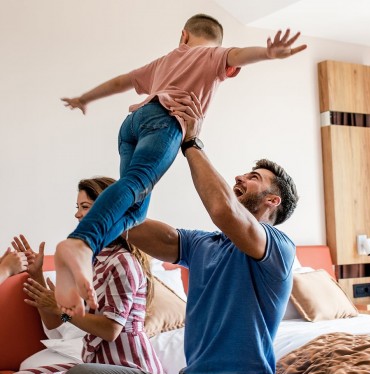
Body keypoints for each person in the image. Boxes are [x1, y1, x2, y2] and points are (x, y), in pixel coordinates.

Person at [61, 95, 299, 374]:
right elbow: (135, 226)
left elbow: (223, 211)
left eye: (254, 177)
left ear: (273, 200)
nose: (240, 178)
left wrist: (191, 143)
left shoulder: (278, 248)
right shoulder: (205, 244)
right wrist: (123, 184)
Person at [57, 13, 307, 316]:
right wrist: (267, 54)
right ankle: (82, 243)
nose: (240, 176)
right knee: (136, 184)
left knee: (134, 213)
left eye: (254, 177)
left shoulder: (164, 61)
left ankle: (84, 252)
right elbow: (241, 54)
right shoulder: (214, 55)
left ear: (183, 36)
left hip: (132, 123)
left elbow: (121, 81)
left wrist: (85, 98)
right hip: (165, 121)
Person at [0, 177, 163, 374]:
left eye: (85, 207)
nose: (77, 215)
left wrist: (61, 309)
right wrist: (36, 274)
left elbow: (110, 330)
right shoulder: (91, 261)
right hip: (96, 365)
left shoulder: (121, 261)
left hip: (128, 368)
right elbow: (57, 323)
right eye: (77, 208)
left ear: (107, 212)